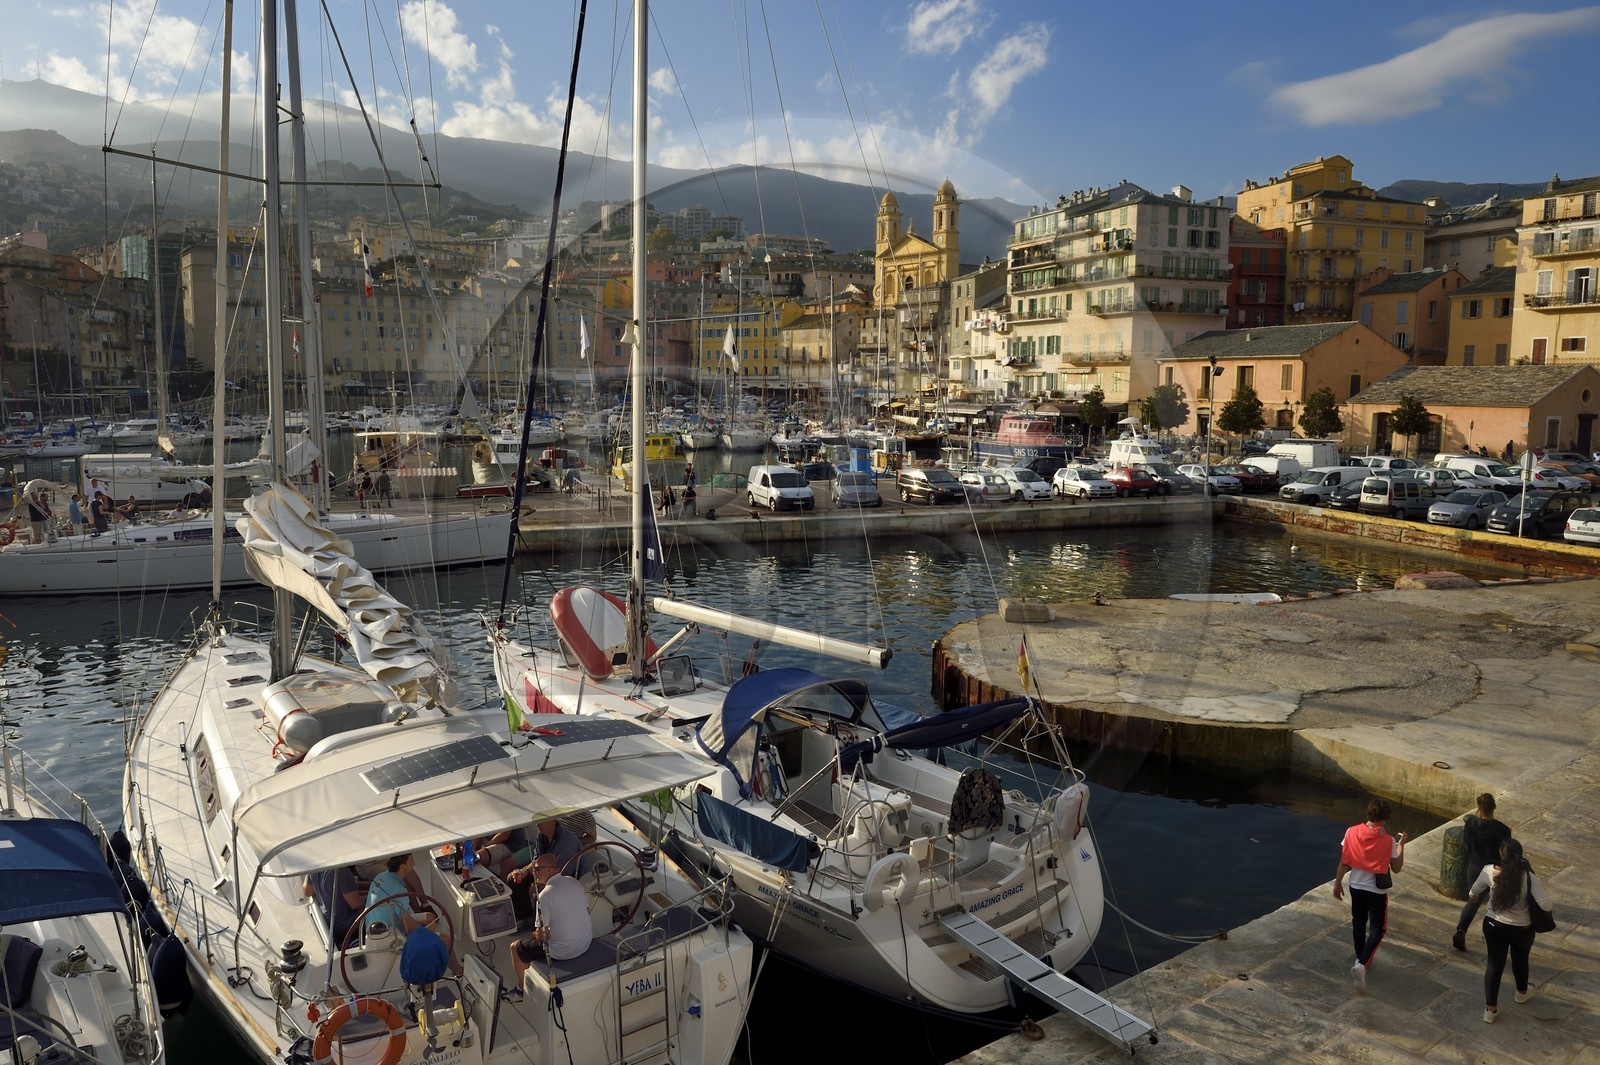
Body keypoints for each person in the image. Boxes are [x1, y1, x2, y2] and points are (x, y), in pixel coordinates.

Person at [1474, 838, 1552, 1023]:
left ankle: (1490, 1011)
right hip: (1521, 929)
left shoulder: (1489, 872)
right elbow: (1546, 905)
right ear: (1520, 855)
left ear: (1501, 853)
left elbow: (1474, 891)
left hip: (1494, 925)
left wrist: (1472, 897)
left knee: (1494, 964)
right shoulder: (1529, 877)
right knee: (1520, 959)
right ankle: (1521, 992)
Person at [1332, 798, 1406, 991]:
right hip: (1376, 890)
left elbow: (1344, 861)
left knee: (1358, 921)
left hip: (1355, 885)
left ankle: (1360, 957)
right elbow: (1396, 868)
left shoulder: (1350, 832)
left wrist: (1337, 883)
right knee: (1377, 930)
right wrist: (1401, 847)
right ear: (1386, 818)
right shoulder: (1389, 841)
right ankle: (1361, 964)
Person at [509, 854, 593, 984]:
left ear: (549, 870)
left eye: (536, 869)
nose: (534, 873)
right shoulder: (574, 882)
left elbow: (541, 936)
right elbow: (587, 911)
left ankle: (521, 990)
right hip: (585, 943)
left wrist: (536, 934)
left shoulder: (545, 896)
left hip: (563, 951)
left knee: (516, 947)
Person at [1453, 794, 1510, 951]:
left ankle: (1461, 930)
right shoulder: (1502, 829)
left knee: (1474, 899)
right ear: (1494, 808)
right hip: (1494, 870)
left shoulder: (1470, 823)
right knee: (1498, 901)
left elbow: (1466, 846)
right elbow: (1505, 853)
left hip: (1474, 866)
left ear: (1479, 807)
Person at [303, 866, 366, 945]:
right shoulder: (342, 871)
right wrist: (373, 897)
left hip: (330, 923)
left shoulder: (313, 869)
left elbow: (307, 892)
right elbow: (355, 903)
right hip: (347, 925)